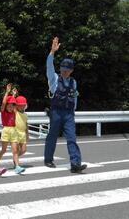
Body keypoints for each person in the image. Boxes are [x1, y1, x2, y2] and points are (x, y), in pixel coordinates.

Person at [44, 37, 87, 173]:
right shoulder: (54, 79)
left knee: (72, 138)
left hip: (68, 113)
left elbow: (74, 98)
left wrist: (73, 111)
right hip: (56, 111)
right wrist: (52, 52)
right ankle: (48, 159)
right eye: (63, 69)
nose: (65, 71)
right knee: (52, 135)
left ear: (71, 70)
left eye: (67, 70)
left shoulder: (74, 82)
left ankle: (75, 163)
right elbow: (49, 66)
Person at [0, 84, 25, 174]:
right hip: (6, 130)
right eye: (8, 105)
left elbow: (12, 102)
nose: (10, 107)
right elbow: (4, 103)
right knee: (4, 150)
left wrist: (14, 95)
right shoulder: (3, 111)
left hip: (13, 131)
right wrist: (7, 92)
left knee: (15, 150)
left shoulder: (14, 111)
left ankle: (17, 166)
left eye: (12, 106)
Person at [15, 95, 29, 161]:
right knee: (17, 149)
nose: (22, 107)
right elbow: (12, 105)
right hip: (16, 133)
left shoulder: (25, 115)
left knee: (24, 150)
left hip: (23, 133)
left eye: (23, 105)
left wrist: (27, 134)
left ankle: (15, 158)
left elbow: (26, 125)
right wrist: (14, 95)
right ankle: (16, 162)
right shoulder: (15, 112)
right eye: (20, 105)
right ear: (16, 106)